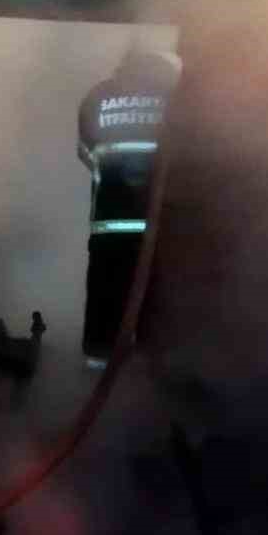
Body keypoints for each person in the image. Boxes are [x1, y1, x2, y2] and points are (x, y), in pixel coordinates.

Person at [76, 45, 181, 365]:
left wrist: (110, 177)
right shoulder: (173, 97)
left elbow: (85, 151)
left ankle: (98, 360)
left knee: (105, 289)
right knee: (154, 296)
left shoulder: (97, 96)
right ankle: (150, 369)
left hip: (109, 218)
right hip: (159, 222)